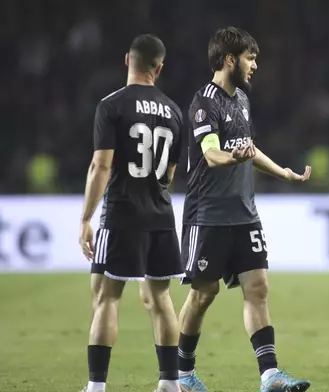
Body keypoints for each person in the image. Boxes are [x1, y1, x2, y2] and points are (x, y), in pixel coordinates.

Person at [176, 27, 312, 392]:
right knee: (203, 295)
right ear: (230, 59)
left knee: (258, 287)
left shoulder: (241, 100)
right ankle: (182, 374)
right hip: (208, 215)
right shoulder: (205, 102)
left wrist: (282, 171)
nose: (255, 66)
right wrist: (230, 155)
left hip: (244, 213)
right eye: (250, 58)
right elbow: (211, 152)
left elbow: (247, 148)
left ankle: (270, 375)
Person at [78, 35, 185, 392]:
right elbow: (169, 174)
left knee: (107, 296)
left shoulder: (112, 105)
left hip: (122, 215)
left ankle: (96, 386)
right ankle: (169, 382)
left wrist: (85, 219)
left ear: (128, 60)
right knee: (161, 298)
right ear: (160, 67)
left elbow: (100, 166)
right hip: (161, 217)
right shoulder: (174, 111)